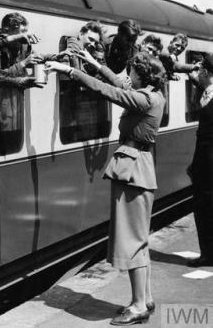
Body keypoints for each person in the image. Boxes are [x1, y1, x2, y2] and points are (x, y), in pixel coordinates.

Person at [46, 51, 167, 326]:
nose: (128, 76)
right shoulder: (151, 95)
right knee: (140, 239)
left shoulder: (144, 100)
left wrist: (70, 71)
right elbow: (118, 84)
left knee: (133, 241)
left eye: (131, 72)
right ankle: (145, 297)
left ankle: (137, 306)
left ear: (141, 74)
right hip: (138, 170)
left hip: (133, 174)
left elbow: (109, 90)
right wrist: (91, 60)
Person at [186, 54, 213, 267]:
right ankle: (207, 252)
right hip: (203, 162)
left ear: (206, 72)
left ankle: (208, 254)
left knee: (206, 207)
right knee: (203, 207)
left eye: (201, 69)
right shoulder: (207, 92)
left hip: (209, 163)